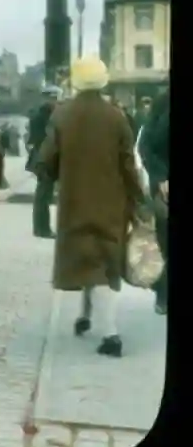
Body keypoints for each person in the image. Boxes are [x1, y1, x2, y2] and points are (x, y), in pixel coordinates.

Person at [36, 56, 143, 357]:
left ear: (75, 82)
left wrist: (58, 177)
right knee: (106, 260)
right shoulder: (116, 116)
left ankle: (98, 325)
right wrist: (137, 199)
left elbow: (46, 160)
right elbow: (128, 163)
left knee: (85, 257)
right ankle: (97, 324)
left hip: (75, 200)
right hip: (112, 199)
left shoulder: (61, 115)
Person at [138, 88, 169, 315]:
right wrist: (160, 177)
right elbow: (146, 145)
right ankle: (164, 294)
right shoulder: (164, 102)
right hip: (167, 186)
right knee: (166, 242)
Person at [27, 85, 62, 238]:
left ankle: (40, 227)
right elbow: (43, 139)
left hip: (42, 156)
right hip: (43, 157)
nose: (55, 101)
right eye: (53, 98)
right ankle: (43, 229)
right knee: (43, 194)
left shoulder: (42, 114)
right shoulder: (44, 116)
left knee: (43, 194)